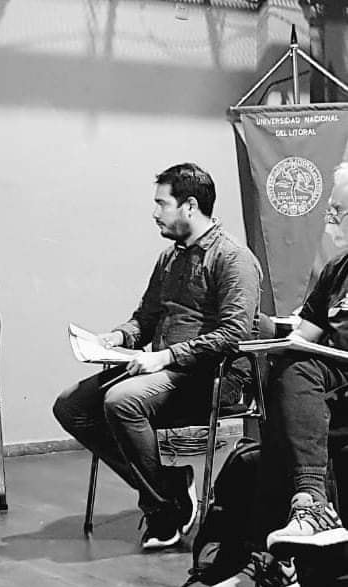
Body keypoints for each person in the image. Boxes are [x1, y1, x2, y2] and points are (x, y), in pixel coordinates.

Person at [53, 162, 262, 549]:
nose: (155, 213)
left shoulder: (234, 258)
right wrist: (116, 337)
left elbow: (234, 333)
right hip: (162, 372)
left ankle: (165, 509)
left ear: (190, 206)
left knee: (122, 401)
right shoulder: (169, 258)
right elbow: (146, 319)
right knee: (71, 406)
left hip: (214, 377)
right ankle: (169, 487)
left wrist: (166, 357)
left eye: (162, 203)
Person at [208, 163, 348, 587]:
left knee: (296, 378)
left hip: (337, 379)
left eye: (339, 211)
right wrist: (267, 333)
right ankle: (303, 515)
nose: (330, 219)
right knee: (287, 369)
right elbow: (304, 336)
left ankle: (276, 561)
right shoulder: (337, 270)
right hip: (331, 383)